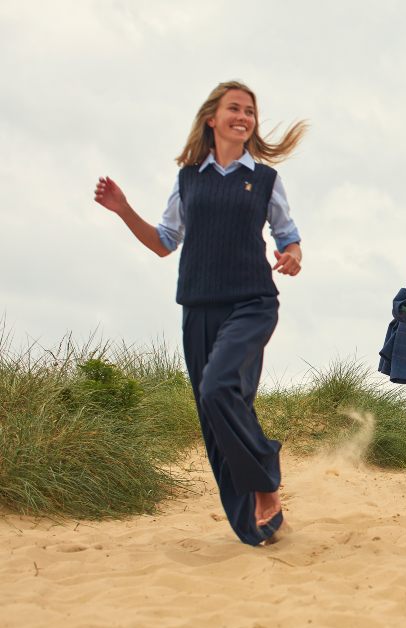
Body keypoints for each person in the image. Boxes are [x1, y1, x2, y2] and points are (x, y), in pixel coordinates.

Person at [93, 81, 306, 545]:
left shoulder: (265, 179)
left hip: (252, 302)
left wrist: (293, 255)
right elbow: (164, 243)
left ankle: (265, 482)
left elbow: (289, 235)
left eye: (250, 111)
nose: (244, 117)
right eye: (235, 108)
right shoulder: (189, 178)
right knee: (215, 414)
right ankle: (252, 523)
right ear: (212, 118)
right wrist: (123, 208)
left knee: (218, 388)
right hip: (198, 307)